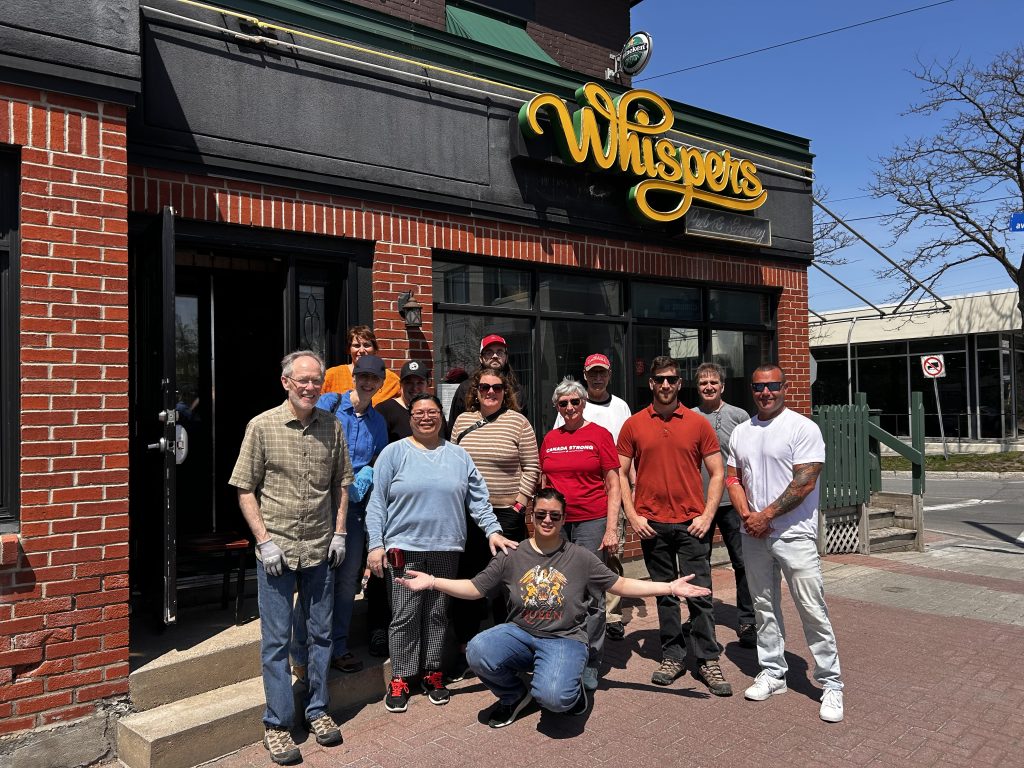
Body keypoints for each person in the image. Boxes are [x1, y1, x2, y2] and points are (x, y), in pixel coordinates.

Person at [395, 488, 712, 729]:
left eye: (555, 516)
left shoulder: (580, 557)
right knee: (478, 649)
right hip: (521, 633)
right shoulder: (512, 554)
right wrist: (434, 581)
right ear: (532, 515)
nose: (547, 520)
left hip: (565, 639)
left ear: (563, 518)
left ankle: (567, 688)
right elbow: (475, 588)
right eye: (542, 514)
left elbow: (622, 585)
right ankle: (515, 695)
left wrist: (669, 587)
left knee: (557, 700)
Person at [229, 350, 353, 765]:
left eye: (316, 380)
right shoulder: (261, 427)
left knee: (321, 635)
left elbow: (342, 483)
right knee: (277, 642)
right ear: (286, 382)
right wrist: (263, 540)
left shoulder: (332, 427)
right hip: (277, 552)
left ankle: (317, 710)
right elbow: (245, 487)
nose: (310, 387)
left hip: (320, 550)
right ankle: (278, 724)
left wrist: (340, 533)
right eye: (302, 380)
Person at [365, 393, 518, 714]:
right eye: (419, 412)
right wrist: (375, 545)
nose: (425, 417)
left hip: (446, 547)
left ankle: (433, 673)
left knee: (437, 614)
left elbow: (478, 498)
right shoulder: (394, 453)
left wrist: (492, 530)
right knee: (405, 614)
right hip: (402, 549)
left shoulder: (458, 456)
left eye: (432, 412)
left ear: (441, 417)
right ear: (410, 418)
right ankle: (402, 676)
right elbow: (377, 502)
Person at [726, 364, 845, 723]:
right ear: (752, 389)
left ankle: (831, 683)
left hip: (794, 534)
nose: (766, 393)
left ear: (785, 387)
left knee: (812, 608)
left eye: (773, 386)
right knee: (763, 606)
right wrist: (747, 514)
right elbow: (733, 477)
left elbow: (805, 482)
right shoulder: (742, 431)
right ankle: (773, 672)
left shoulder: (802, 427)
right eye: (760, 387)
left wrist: (767, 516)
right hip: (753, 534)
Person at [616, 355, 732, 697]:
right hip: (652, 525)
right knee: (665, 595)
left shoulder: (698, 424)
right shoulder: (634, 425)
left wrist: (707, 515)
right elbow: (619, 473)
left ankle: (708, 658)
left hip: (691, 524)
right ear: (651, 384)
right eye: (659, 380)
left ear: (679, 384)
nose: (665, 385)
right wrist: (633, 516)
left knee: (701, 594)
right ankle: (673, 656)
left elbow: (718, 472)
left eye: (671, 379)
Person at [291, 354, 388, 678]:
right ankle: (302, 650)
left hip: (357, 508)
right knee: (315, 578)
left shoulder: (378, 422)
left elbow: (377, 459)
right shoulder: (330, 404)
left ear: (380, 382)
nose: (368, 383)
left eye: (374, 379)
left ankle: (338, 646)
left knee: (347, 582)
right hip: (323, 504)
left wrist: (369, 474)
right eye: (363, 376)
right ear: (355, 376)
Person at [450, 368, 540, 678]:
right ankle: (465, 649)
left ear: (505, 391)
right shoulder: (462, 421)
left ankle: (508, 647)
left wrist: (517, 506)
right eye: (485, 387)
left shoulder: (518, 422)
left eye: (497, 388)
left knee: (507, 582)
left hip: (505, 514)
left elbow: (532, 466)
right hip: (469, 515)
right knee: (469, 578)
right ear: (475, 390)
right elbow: (453, 464)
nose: (491, 392)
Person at [540, 377, 620, 692]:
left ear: (584, 403)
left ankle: (591, 660)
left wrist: (612, 528)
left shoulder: (600, 436)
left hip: (592, 521)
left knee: (592, 593)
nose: (570, 408)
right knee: (559, 590)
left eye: (575, 402)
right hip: (557, 523)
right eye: (564, 403)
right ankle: (563, 652)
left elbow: (613, 484)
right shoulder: (550, 438)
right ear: (557, 407)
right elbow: (545, 483)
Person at [554, 353, 632, 641]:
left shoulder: (619, 408)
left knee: (609, 557)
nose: (598, 377)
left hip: (603, 502)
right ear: (585, 376)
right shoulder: (559, 424)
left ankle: (610, 617)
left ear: (609, 375)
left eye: (602, 373)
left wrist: (629, 495)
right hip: (567, 514)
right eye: (592, 373)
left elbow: (628, 453)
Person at [691, 361, 756, 648]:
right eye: (703, 382)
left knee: (741, 562)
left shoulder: (739, 416)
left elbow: (748, 458)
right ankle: (699, 619)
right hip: (699, 503)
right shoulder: (689, 417)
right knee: (698, 563)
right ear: (697, 387)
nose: (708, 387)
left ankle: (747, 619)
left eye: (713, 382)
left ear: (722, 386)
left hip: (731, 501)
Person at [366, 359, 428, 657]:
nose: (415, 387)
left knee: (411, 570)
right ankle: (378, 629)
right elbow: (373, 452)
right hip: (391, 504)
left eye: (420, 382)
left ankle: (414, 631)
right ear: (401, 383)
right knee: (383, 568)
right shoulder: (385, 410)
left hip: (421, 508)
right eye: (410, 382)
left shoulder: (429, 411)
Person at [446, 334, 524, 430]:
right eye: (489, 353)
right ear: (481, 359)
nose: (495, 356)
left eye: (500, 352)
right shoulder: (466, 388)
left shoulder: (517, 389)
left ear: (506, 358)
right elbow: (453, 427)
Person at [322, 325, 401, 405]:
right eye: (356, 346)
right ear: (349, 349)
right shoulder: (331, 375)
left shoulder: (390, 380)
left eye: (367, 345)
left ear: (375, 349)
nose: (362, 350)